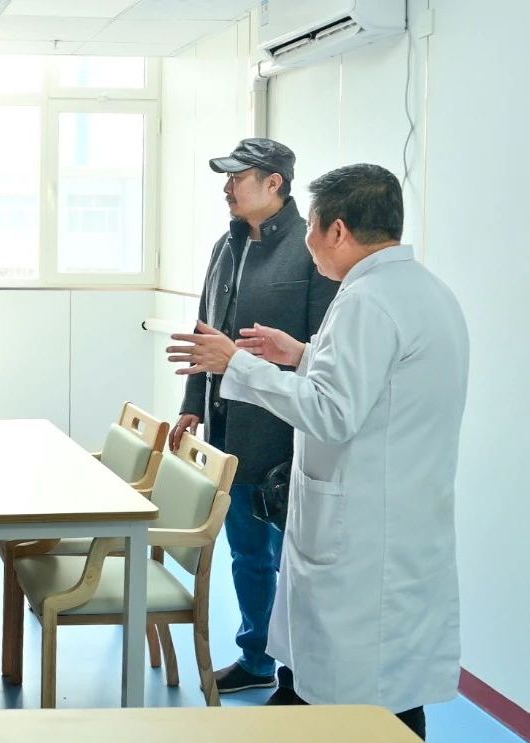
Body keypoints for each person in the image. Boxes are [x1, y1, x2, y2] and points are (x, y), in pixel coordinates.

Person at [166, 163, 469, 740]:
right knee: (375, 685)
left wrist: (240, 365)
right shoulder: (423, 292)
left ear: (338, 231)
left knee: (365, 695)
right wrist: (301, 354)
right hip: (397, 519)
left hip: (364, 535)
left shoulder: (367, 302)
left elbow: (332, 411)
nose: (305, 238)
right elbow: (378, 386)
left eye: (310, 226)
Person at [172, 138, 338, 693]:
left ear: (274, 183)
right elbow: (206, 330)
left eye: (237, 177)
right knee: (247, 554)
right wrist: (192, 404)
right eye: (226, 178)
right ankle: (257, 657)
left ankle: (299, 673)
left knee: (295, 561)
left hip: (287, 434)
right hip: (230, 429)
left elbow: (322, 350)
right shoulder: (226, 245)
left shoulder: (309, 250)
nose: (227, 188)